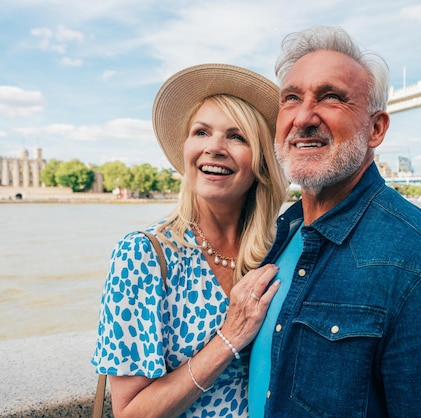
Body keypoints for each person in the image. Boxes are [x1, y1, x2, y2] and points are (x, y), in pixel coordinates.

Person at [248, 26, 421, 417]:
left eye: (331, 98)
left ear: (376, 128)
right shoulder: (284, 233)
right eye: (291, 98)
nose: (304, 117)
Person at [92, 63, 288, 417]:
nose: (214, 147)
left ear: (261, 163)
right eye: (201, 132)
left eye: (236, 136)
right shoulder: (142, 255)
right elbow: (129, 413)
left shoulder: (279, 248)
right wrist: (229, 338)